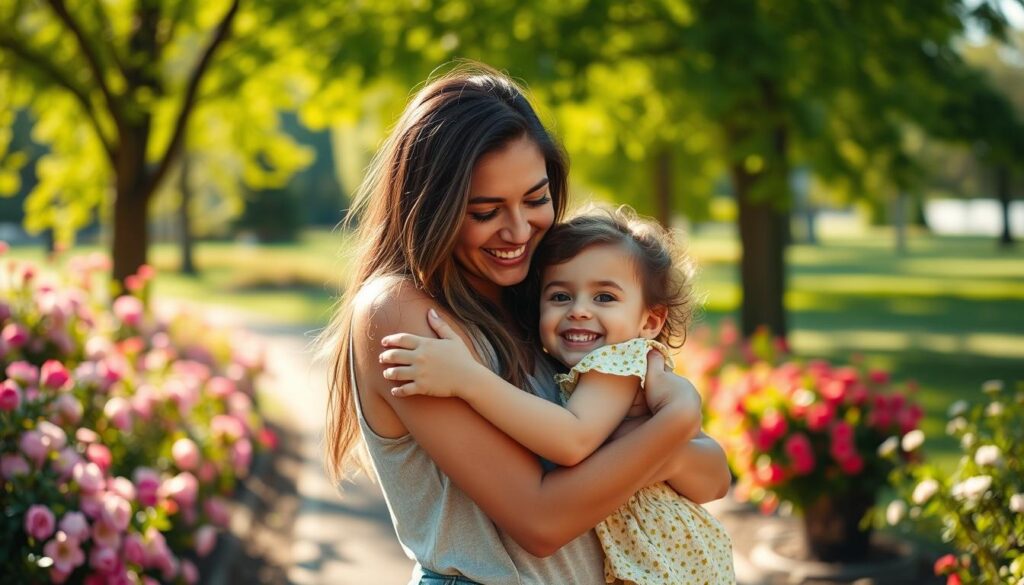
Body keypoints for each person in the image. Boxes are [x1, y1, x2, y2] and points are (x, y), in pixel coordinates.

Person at [321, 64, 731, 585]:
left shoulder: (539, 295)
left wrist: (649, 445)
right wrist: (670, 425)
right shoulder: (399, 312)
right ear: (432, 208)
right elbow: (542, 520)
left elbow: (715, 472)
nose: (519, 230)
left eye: (536, 200)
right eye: (486, 211)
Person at [384, 208, 735, 584]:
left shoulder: (618, 363)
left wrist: (468, 379)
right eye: (561, 296)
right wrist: (662, 451)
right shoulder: (592, 369)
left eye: (604, 297)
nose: (579, 311)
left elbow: (572, 439)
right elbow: (711, 478)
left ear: (649, 321)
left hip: (669, 563)